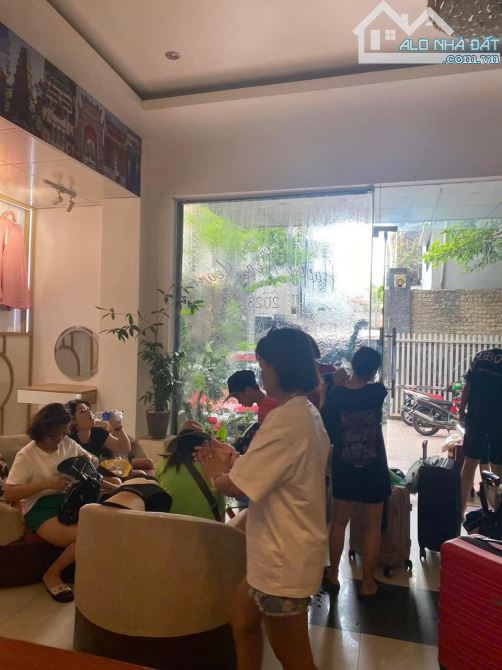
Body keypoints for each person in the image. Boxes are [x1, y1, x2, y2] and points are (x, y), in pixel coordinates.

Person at [210, 327, 330, 670]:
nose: (261, 375)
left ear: (280, 367)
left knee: (294, 658)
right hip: (276, 553)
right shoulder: (303, 411)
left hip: (282, 560)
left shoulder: (286, 420)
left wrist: (215, 474)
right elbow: (268, 469)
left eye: (263, 366)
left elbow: (238, 486)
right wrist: (235, 463)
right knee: (242, 620)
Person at [4, 403, 96, 602]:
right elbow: (9, 492)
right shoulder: (27, 455)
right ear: (41, 432)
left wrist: (89, 460)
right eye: (54, 436)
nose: (60, 439)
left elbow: (91, 459)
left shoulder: (67, 443)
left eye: (63, 433)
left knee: (100, 526)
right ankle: (52, 573)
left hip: (68, 500)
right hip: (39, 507)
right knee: (88, 535)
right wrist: (46, 484)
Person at [321, 346, 390, 599]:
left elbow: (326, 425)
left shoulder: (336, 396)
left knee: (339, 523)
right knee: (372, 528)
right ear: (373, 371)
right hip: (374, 467)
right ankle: (367, 583)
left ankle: (333, 575)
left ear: (353, 363)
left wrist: (334, 385)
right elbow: (366, 384)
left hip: (344, 466)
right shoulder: (377, 392)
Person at [458, 347, 502, 513]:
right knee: (498, 468)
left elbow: (467, 387)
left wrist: (461, 412)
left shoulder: (480, 356)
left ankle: (459, 512)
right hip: (498, 421)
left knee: (469, 464)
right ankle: (498, 513)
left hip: (476, 418)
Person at [155, 421, 226, 521]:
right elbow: (222, 512)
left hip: (170, 527)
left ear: (178, 443)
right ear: (203, 443)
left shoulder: (163, 464)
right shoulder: (212, 466)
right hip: (206, 528)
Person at [66, 399, 131, 460]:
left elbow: (125, 449)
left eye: (88, 409)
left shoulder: (98, 432)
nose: (89, 412)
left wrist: (118, 426)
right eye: (82, 411)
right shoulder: (69, 440)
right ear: (73, 420)